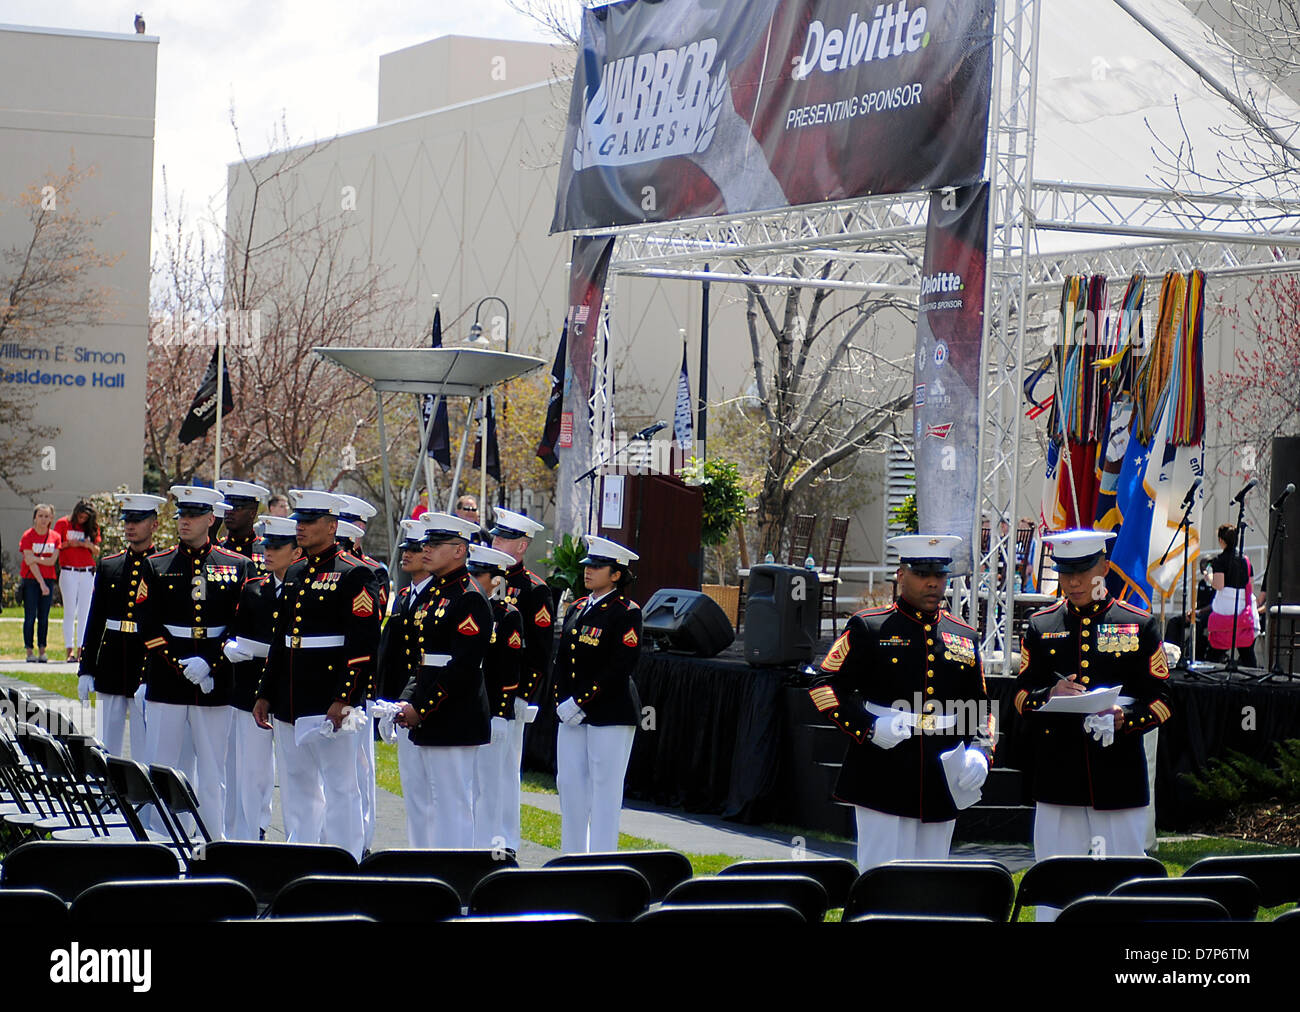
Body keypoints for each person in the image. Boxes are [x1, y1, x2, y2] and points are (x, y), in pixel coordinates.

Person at [807, 535, 994, 871]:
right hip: (884, 772)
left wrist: (981, 750)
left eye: (940, 575)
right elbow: (824, 686)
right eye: (923, 574)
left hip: (942, 774)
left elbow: (979, 707)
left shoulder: (964, 636)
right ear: (901, 575)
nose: (933, 583)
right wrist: (868, 727)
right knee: (881, 879)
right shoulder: (870, 627)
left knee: (931, 887)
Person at [1015, 529, 1173, 920]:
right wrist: (1048, 695)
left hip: (1116, 777)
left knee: (1121, 885)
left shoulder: (1137, 624)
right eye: (1066, 572)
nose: (1074, 582)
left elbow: (1165, 700)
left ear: (1104, 566)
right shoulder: (1041, 625)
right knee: (1054, 884)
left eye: (1084, 571)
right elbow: (1018, 696)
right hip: (1058, 777)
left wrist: (1125, 719)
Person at [253, 490, 379, 861]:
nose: (301, 527)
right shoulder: (294, 571)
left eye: (309, 521)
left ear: (332, 525)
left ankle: (345, 860)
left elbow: (363, 644)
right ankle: (303, 858)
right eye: (299, 520)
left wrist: (345, 698)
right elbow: (281, 640)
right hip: (291, 698)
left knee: (341, 787)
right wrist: (265, 692)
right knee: (297, 785)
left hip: (328, 699)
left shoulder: (355, 574)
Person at [139, 486, 252, 838]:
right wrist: (180, 663)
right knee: (164, 767)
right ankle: (165, 841)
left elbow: (240, 623)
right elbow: (148, 624)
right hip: (168, 678)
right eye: (181, 516)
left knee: (213, 770)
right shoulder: (156, 565)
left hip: (214, 682)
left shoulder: (238, 566)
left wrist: (211, 663)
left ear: (210, 519)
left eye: (191, 516)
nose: (183, 522)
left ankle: (213, 841)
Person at [394, 512, 492, 848]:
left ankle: (457, 877)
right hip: (428, 707)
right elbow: (417, 660)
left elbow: (463, 665)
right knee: (428, 800)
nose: (426, 550)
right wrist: (408, 700)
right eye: (426, 544)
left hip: (454, 712)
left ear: (459, 550)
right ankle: (428, 867)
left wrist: (422, 706)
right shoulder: (430, 594)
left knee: (452, 802)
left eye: (436, 545)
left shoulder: (470, 596)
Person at [553, 535, 643, 854]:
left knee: (605, 789)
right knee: (570, 785)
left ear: (616, 574)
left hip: (610, 710)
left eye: (598, 566)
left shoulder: (626, 612)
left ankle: (602, 858)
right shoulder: (578, 607)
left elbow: (620, 665)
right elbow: (563, 658)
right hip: (573, 711)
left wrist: (581, 700)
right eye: (588, 565)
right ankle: (572, 854)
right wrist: (562, 699)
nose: (589, 572)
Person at [222, 514, 300, 841]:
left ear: (296, 552)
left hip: (291, 689)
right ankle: (250, 830)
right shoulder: (253, 589)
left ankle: (302, 836)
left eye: (277, 546)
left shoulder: (305, 589)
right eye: (266, 545)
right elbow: (233, 630)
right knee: (250, 769)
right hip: (250, 688)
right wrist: (229, 645)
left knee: (296, 772)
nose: (267, 552)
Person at [77, 493, 164, 759]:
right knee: (106, 744)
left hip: (144, 659)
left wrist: (151, 675)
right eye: (127, 520)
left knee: (145, 746)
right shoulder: (109, 565)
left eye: (138, 520)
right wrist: (86, 668)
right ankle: (107, 797)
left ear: (154, 525)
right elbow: (95, 620)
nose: (130, 526)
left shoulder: (163, 566)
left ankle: (146, 801)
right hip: (112, 659)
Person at [490, 506, 553, 852]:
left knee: (505, 770)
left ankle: (506, 841)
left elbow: (540, 651)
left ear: (521, 546)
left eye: (505, 538)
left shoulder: (533, 589)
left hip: (512, 691)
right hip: (485, 689)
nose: (497, 541)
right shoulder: (481, 579)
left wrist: (523, 695)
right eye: (496, 535)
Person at [466, 543, 525, 850]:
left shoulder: (508, 615)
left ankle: (489, 847)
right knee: (467, 784)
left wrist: (501, 713)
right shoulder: (466, 605)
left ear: (497, 580)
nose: (472, 577)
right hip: (467, 707)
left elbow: (509, 668)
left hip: (492, 709)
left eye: (479, 573)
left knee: (489, 786)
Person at [376, 519, 436, 702]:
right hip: (393, 692)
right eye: (405, 550)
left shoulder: (437, 597)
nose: (406, 555)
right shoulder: (403, 596)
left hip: (420, 693)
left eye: (415, 550)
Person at [1206, 523, 1261, 668]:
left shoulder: (1219, 560)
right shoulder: (1245, 560)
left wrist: (1209, 577)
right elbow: (1250, 583)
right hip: (1243, 606)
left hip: (1225, 607)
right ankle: (1253, 677)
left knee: (1217, 647)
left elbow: (1219, 585)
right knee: (1245, 650)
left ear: (1221, 541)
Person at [54, 499, 102, 662]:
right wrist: (70, 543)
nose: (82, 520)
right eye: (80, 516)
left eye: (85, 517)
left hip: (87, 572)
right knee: (69, 611)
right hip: (69, 571)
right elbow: (56, 545)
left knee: (85, 612)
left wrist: (88, 545)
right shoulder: (63, 523)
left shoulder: (92, 527)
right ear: (76, 513)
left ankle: (82, 650)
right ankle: (69, 651)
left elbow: (97, 550)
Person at [19, 504, 61, 663]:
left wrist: (36, 558)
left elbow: (52, 561)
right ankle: (29, 651)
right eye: (40, 516)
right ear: (35, 517)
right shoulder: (28, 535)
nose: (43, 520)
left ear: (51, 518)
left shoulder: (55, 537)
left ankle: (42, 650)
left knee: (44, 617)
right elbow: (29, 562)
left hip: (49, 580)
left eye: (47, 516)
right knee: (30, 617)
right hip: (31, 581)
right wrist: (41, 583)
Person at [215, 479, 270, 572]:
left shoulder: (267, 551)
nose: (229, 512)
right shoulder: (218, 549)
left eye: (237, 508)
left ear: (252, 512)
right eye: (226, 507)